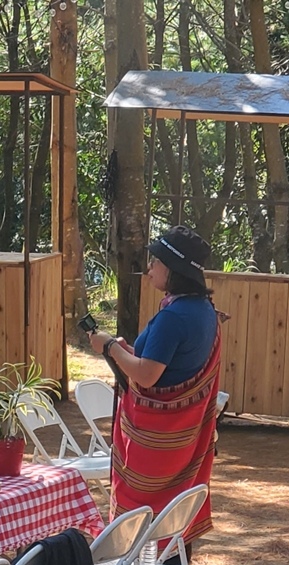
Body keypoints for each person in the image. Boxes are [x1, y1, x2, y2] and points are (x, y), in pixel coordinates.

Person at [86, 225, 222, 542]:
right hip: (182, 442)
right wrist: (126, 352)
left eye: (155, 262)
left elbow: (147, 375)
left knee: (142, 522)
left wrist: (109, 347)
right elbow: (172, 367)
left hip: (155, 446)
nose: (148, 270)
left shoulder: (174, 317)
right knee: (173, 520)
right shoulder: (203, 310)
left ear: (173, 269)